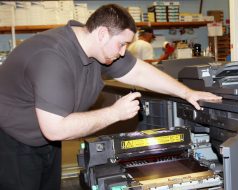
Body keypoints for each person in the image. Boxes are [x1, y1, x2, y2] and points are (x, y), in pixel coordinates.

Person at [0, 4, 221, 190]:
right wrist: (114, 113)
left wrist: (187, 92)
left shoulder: (95, 49)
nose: (123, 52)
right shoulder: (52, 57)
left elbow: (139, 70)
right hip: (13, 141)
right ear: (102, 33)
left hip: (46, 140)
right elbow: (56, 128)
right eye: (122, 44)